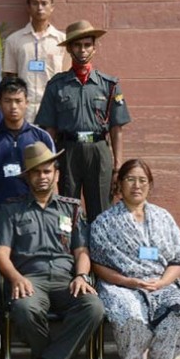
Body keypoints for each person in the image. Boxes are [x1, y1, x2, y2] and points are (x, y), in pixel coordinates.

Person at [90, 159, 180, 359]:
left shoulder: (163, 218)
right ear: (119, 183)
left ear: (150, 185)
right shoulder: (105, 222)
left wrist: (162, 283)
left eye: (142, 180)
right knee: (130, 316)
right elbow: (97, 264)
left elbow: (177, 260)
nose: (136, 185)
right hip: (121, 284)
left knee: (178, 318)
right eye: (130, 179)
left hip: (161, 282)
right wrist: (129, 282)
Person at [0, 141, 104, 359]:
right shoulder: (11, 210)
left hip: (67, 281)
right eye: (36, 172)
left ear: (56, 174)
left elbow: (81, 251)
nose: (42, 177)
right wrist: (15, 278)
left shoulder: (72, 207)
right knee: (24, 308)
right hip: (30, 279)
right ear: (27, 176)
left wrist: (81, 275)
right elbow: (1, 254)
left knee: (94, 307)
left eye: (47, 171)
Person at [35, 20, 131, 223]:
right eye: (77, 45)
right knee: (66, 211)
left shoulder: (109, 85)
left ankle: (99, 254)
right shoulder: (56, 86)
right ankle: (69, 253)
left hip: (98, 151)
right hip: (67, 151)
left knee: (101, 212)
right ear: (69, 48)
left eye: (87, 44)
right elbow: (49, 130)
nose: (82, 50)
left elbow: (116, 129)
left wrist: (117, 167)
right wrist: (50, 164)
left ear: (94, 48)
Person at [0, 77, 54, 220]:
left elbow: (52, 178)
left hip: (33, 214)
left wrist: (51, 214)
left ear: (27, 103)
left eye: (18, 101)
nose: (13, 107)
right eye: (8, 101)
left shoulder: (42, 137)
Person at [3, 0, 68, 123]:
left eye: (44, 3)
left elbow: (67, 77)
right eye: (35, 3)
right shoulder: (14, 41)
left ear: (52, 7)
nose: (39, 8)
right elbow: (10, 78)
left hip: (54, 109)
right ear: (28, 7)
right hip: (24, 111)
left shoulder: (63, 41)